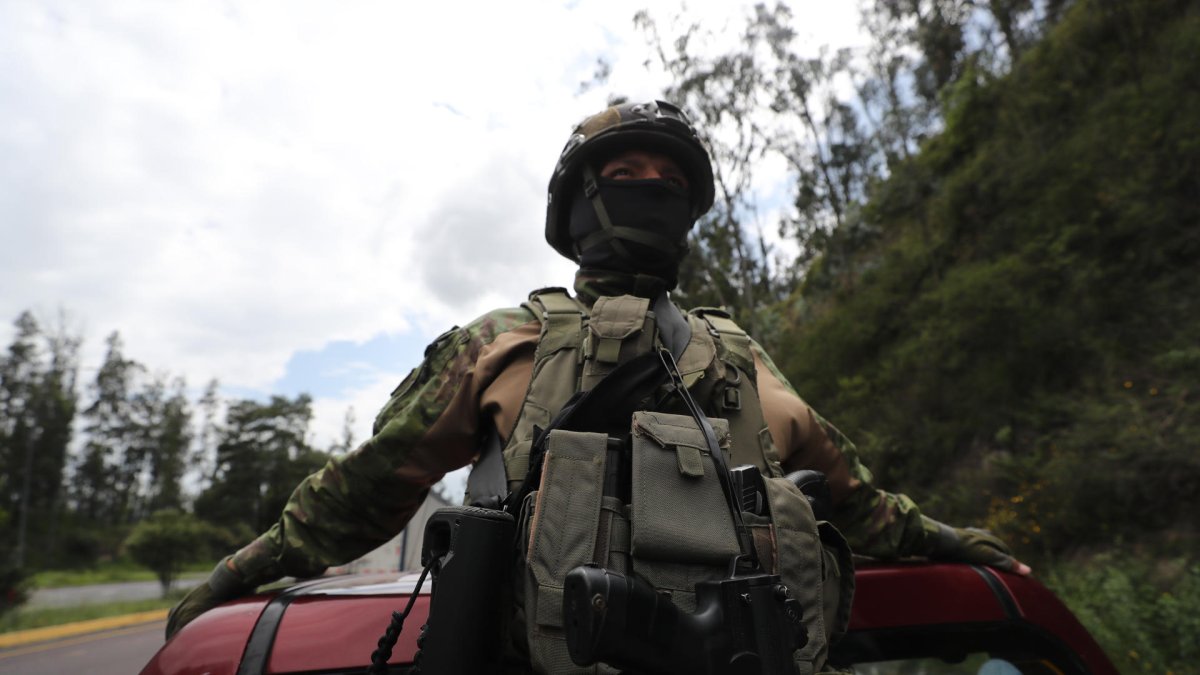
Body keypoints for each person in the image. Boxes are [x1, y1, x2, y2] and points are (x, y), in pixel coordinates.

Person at [167, 100, 1029, 663]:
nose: (652, 197)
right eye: (626, 180)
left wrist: (961, 545)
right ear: (579, 206)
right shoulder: (505, 345)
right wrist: (244, 570)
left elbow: (861, 506)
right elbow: (362, 491)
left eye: (671, 186)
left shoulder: (742, 362)